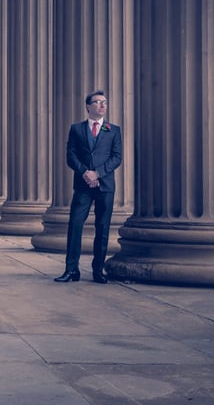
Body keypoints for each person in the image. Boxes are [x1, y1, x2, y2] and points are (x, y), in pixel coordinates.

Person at [55, 90, 123, 284]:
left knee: (102, 227)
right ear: (88, 106)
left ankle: (98, 270)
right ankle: (71, 270)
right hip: (83, 185)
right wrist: (85, 172)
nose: (102, 105)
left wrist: (98, 173)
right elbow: (71, 155)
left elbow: (116, 157)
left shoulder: (113, 130)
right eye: (98, 102)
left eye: (105, 102)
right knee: (75, 224)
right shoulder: (76, 129)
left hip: (105, 185)